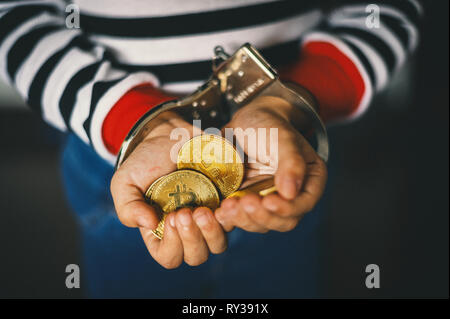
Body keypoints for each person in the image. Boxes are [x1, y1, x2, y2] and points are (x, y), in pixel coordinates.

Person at [0, 0, 422, 298]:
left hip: (280, 159)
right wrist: (134, 118)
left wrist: (288, 101)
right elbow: (18, 19)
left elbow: (386, 9)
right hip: (120, 161)